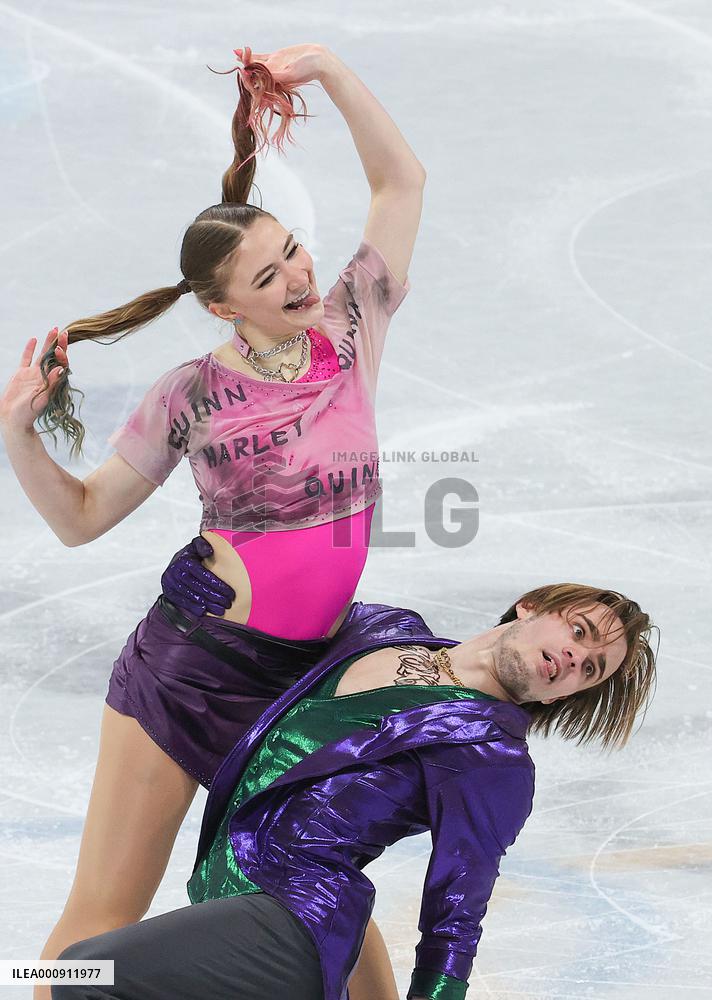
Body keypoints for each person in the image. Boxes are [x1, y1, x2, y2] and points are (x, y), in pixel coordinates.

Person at [0, 43, 425, 999]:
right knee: (95, 934)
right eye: (267, 275)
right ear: (219, 304)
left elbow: (401, 182)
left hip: (301, 681)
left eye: (292, 252)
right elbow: (80, 518)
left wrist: (330, 72)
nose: (296, 276)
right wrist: (18, 435)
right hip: (193, 675)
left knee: (330, 890)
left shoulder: (352, 325)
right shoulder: (189, 394)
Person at [53, 582, 658, 1000]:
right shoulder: (383, 628)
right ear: (531, 608)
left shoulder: (491, 759)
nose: (574, 659)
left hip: (295, 916)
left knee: (83, 973)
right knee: (54, 970)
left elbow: (455, 918)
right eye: (579, 632)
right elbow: (262, 637)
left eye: (590, 670)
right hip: (225, 892)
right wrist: (196, 596)